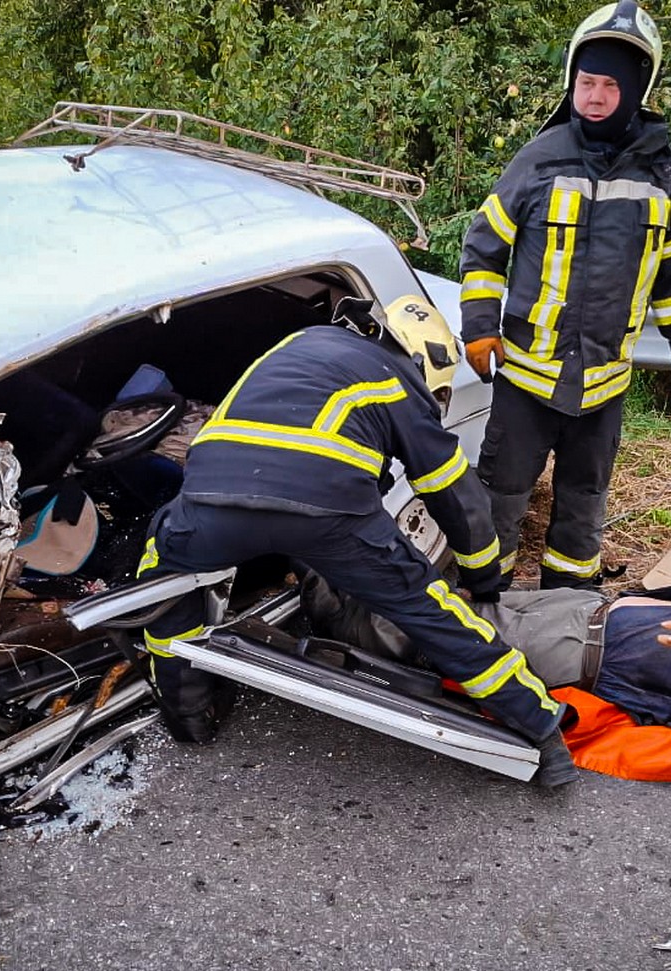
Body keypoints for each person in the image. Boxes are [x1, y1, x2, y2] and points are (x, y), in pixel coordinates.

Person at [136, 295, 578, 786]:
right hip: (327, 514)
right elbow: (454, 493)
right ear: (421, 360)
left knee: (166, 586)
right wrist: (484, 578)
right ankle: (543, 731)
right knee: (428, 610)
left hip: (208, 500)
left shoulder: (298, 345)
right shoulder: (398, 381)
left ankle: (189, 717)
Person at [459, 1, 671, 591]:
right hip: (526, 376)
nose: (594, 97)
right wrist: (479, 326)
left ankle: (569, 606)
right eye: (585, 82)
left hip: (604, 383)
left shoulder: (662, 173)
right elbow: (484, 248)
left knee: (583, 501)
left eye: (607, 86)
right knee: (501, 494)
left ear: (635, 90)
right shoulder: (540, 158)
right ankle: (484, 600)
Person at [302, 578, 671, 778]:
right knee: (453, 603)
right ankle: (356, 579)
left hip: (579, 650)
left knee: (426, 634)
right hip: (586, 609)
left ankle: (325, 598)